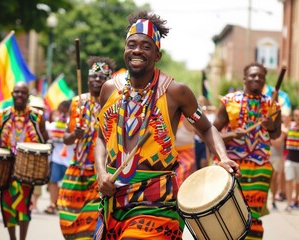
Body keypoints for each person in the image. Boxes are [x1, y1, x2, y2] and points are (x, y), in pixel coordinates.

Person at [94, 11, 240, 239]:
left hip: (155, 196)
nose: (137, 51)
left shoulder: (175, 91)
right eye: (131, 44)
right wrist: (101, 174)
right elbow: (102, 137)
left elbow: (206, 127)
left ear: (157, 55)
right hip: (113, 197)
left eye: (146, 46)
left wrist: (222, 157)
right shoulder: (109, 89)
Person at [213, 62, 282, 239]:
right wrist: (232, 134)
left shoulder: (272, 105)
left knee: (253, 215)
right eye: (253, 75)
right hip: (233, 166)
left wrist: (271, 125)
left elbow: (276, 135)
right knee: (227, 211)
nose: (256, 78)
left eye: (260, 76)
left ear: (265, 80)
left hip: (259, 167)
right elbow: (212, 132)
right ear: (244, 78)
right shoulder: (229, 101)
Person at [57, 56, 116, 239]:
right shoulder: (77, 102)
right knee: (68, 219)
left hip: (99, 173)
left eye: (102, 77)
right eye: (93, 76)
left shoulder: (113, 104)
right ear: (87, 78)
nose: (97, 80)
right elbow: (66, 139)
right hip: (77, 170)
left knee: (92, 221)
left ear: (108, 81)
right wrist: (75, 134)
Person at [0, 82, 49, 240]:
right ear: (12, 94)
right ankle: (12, 238)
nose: (19, 95)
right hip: (6, 169)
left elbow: (44, 140)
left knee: (24, 207)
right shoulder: (3, 115)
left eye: (23, 92)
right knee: (7, 206)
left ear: (28, 96)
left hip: (27, 170)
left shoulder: (36, 117)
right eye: (17, 92)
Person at [44, 100, 73, 215]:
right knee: (53, 181)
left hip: (71, 160)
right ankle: (52, 203)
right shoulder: (54, 124)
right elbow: (47, 131)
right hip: (57, 158)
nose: (63, 113)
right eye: (61, 111)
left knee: (68, 184)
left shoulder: (74, 123)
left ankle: (66, 205)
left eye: (66, 111)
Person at [282, 108, 299, 211]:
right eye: (296, 116)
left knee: (297, 183)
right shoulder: (289, 127)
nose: (298, 118)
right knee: (289, 180)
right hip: (290, 159)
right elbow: (281, 127)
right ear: (294, 117)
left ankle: (296, 199)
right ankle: (289, 203)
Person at [175, 114, 196, 186]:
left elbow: (205, 132)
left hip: (187, 155)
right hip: (169, 155)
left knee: (182, 172)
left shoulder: (189, 116)